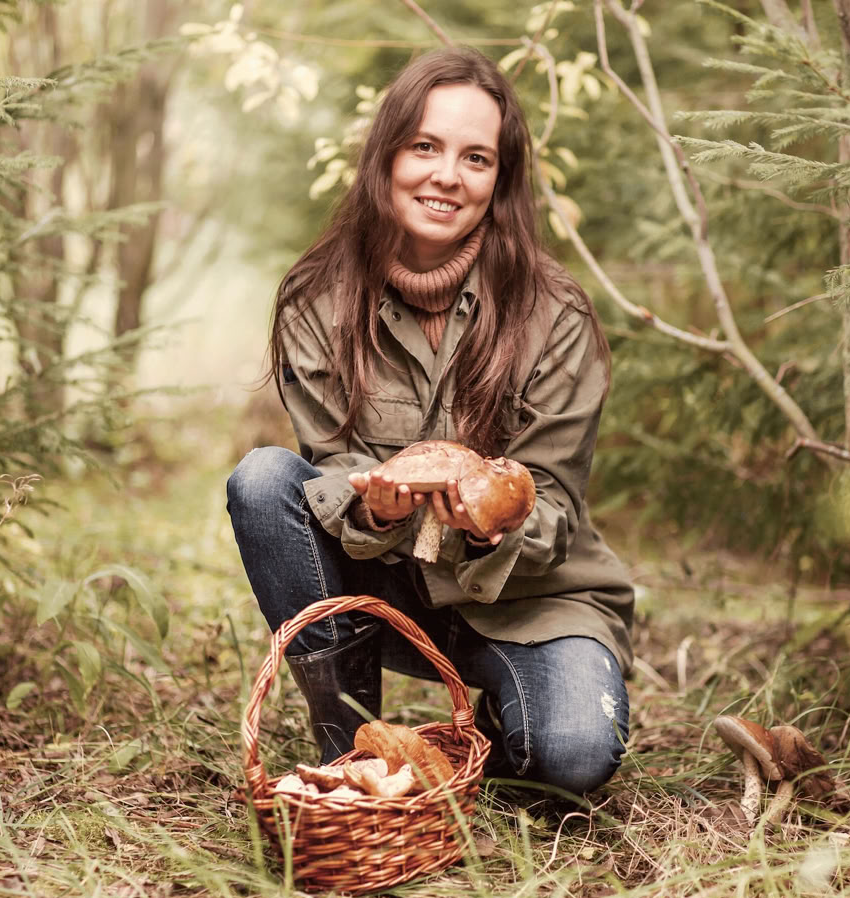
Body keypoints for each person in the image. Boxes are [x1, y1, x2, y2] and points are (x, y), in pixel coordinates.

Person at [227, 47, 634, 797]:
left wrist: (487, 524)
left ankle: (485, 733)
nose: (447, 175)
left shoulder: (556, 314)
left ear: (499, 181)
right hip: (387, 590)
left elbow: (554, 508)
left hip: (528, 602)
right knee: (263, 480)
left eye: (476, 157)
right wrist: (371, 502)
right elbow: (332, 469)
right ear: (386, 155)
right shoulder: (316, 300)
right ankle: (352, 749)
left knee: (574, 758)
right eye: (425, 146)